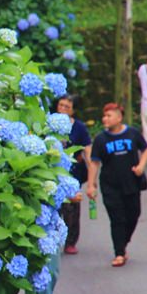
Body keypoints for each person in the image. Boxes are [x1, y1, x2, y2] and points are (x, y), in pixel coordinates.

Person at [86, 103, 147, 267]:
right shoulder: (101, 139)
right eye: (104, 116)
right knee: (117, 219)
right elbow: (94, 163)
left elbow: (146, 149)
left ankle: (123, 242)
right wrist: (91, 185)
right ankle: (119, 253)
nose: (105, 119)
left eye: (109, 116)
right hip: (110, 185)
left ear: (119, 117)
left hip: (131, 183)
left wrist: (142, 166)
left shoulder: (132, 133)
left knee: (133, 215)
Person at [54, 95, 92, 255]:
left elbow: (87, 150)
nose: (63, 109)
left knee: (72, 208)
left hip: (73, 173)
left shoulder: (79, 127)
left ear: (73, 110)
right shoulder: (50, 123)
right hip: (53, 172)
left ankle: (70, 241)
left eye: (67, 107)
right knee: (55, 206)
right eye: (60, 105)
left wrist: (92, 177)